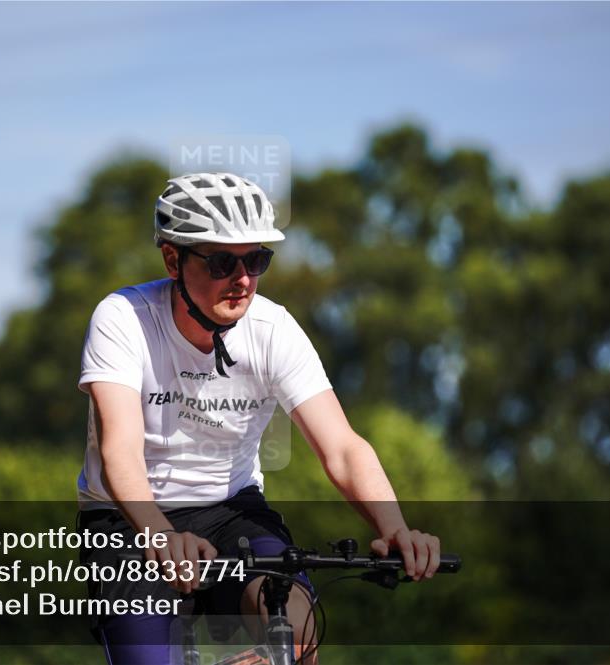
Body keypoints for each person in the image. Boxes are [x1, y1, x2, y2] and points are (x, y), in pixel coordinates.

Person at [76, 172, 441, 664]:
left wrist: (394, 525)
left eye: (257, 259)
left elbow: (342, 447)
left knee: (296, 633)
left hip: (231, 510)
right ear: (172, 259)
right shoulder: (124, 318)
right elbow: (120, 450)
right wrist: (160, 535)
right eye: (224, 261)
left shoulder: (273, 329)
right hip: (128, 518)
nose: (243, 279)